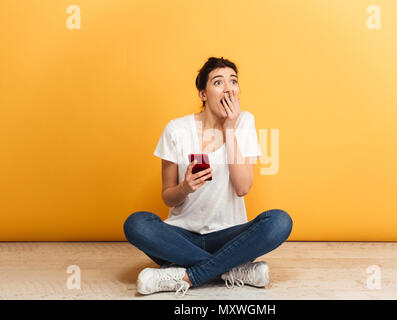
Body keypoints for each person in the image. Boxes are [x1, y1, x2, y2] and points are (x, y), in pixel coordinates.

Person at [123, 57, 292, 296]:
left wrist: (230, 128)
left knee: (279, 221)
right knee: (137, 224)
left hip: (229, 236)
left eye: (233, 81)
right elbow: (167, 197)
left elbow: (243, 187)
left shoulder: (244, 122)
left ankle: (188, 275)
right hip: (181, 237)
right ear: (203, 93)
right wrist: (185, 188)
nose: (228, 88)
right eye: (218, 82)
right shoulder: (176, 130)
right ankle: (231, 270)